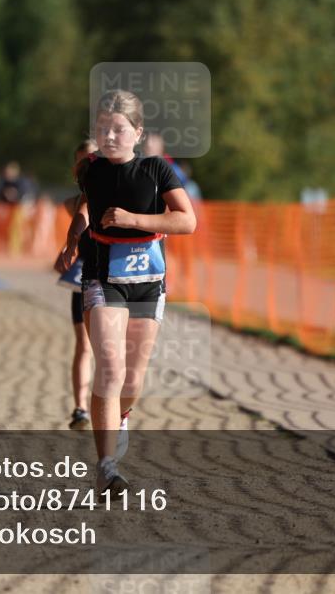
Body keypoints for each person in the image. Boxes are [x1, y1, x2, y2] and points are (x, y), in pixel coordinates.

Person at [60, 90, 196, 494]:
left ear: (137, 132)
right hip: (102, 278)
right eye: (102, 128)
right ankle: (105, 467)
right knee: (111, 367)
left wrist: (134, 220)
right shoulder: (90, 169)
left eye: (118, 129)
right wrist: (72, 239)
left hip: (148, 284)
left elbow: (187, 222)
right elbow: (84, 203)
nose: (109, 136)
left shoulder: (157, 170)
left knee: (133, 378)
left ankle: (122, 418)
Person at [54, 140, 98, 431]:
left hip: (116, 279)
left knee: (111, 348)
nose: (88, 168)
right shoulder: (76, 201)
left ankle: (114, 409)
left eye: (92, 161)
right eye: (82, 163)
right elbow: (76, 209)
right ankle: (80, 408)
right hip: (84, 277)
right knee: (84, 344)